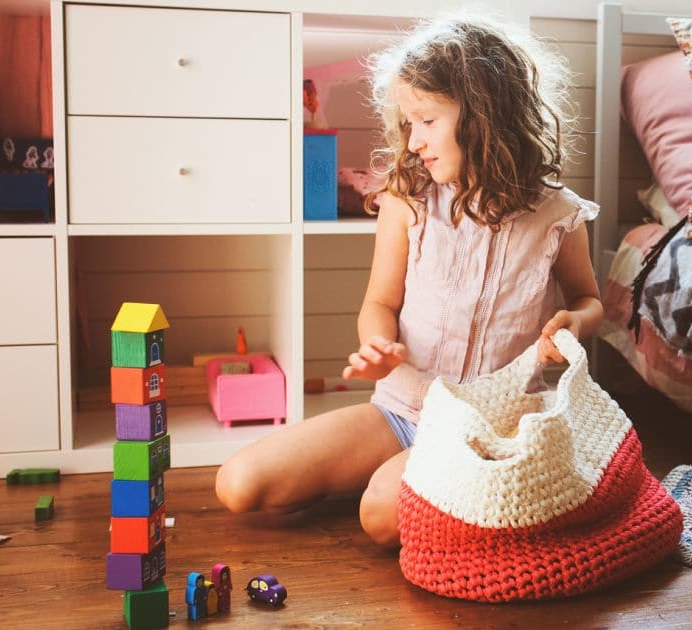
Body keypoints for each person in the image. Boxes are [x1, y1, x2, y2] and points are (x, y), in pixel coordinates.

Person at [214, 14, 602, 547]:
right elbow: (379, 301)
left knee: (380, 517)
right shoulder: (406, 201)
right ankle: (402, 472)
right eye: (408, 124)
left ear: (486, 114)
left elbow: (589, 300)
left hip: (494, 426)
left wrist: (573, 324)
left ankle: (415, 480)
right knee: (239, 484)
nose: (414, 140)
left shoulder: (557, 214)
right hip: (402, 409)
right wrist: (378, 342)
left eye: (427, 120)